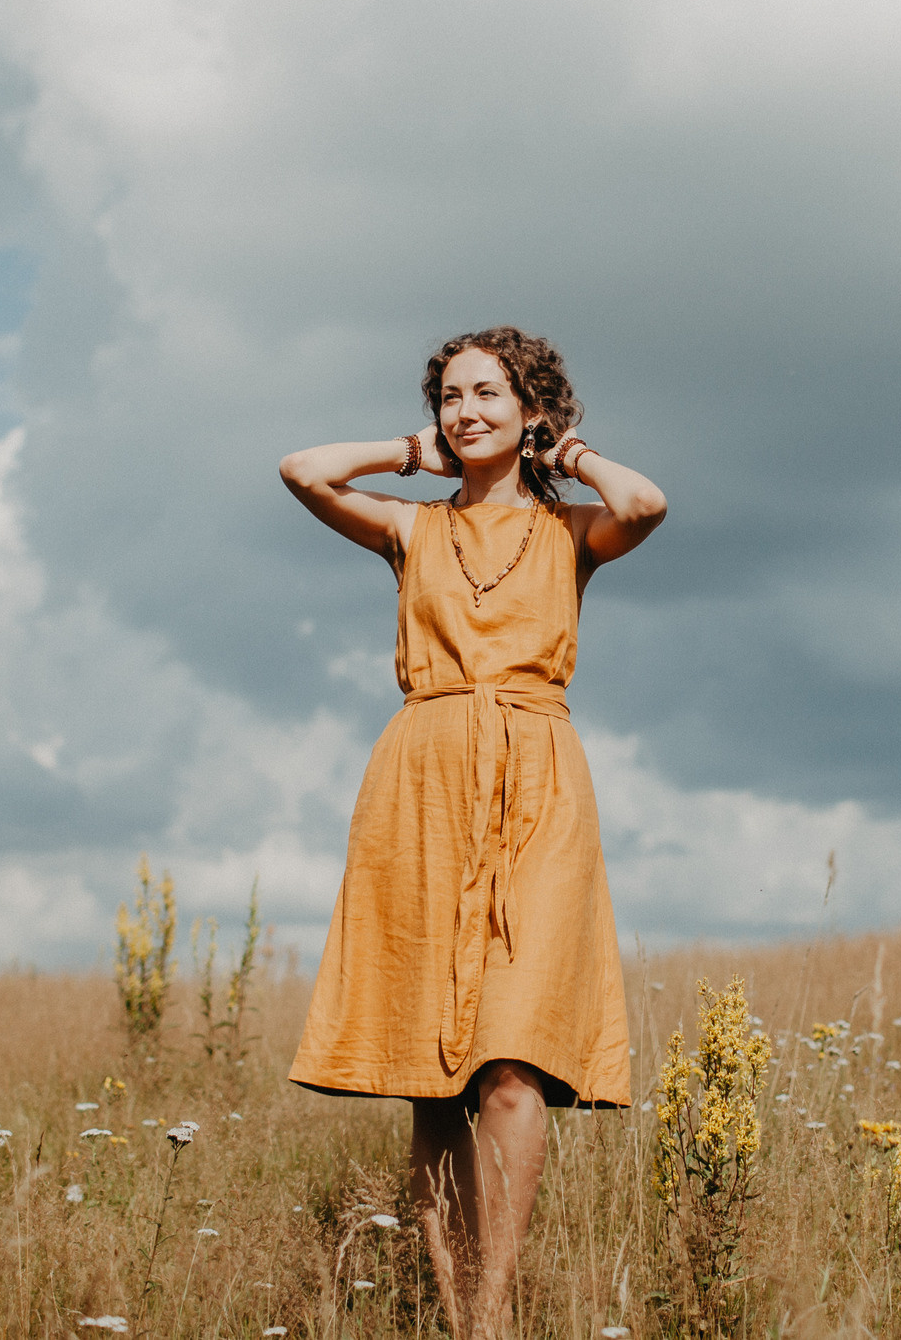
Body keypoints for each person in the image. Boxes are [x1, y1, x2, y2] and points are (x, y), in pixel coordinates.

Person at [279, 325, 667, 1339]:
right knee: (433, 1077)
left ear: (530, 406)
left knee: (512, 1061)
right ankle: (459, 1320)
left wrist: (561, 451)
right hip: (423, 777)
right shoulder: (410, 528)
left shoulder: (574, 530)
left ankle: (494, 1308)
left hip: (537, 773)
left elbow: (646, 504)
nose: (467, 412)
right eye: (452, 397)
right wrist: (409, 453)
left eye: (488, 394)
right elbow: (302, 471)